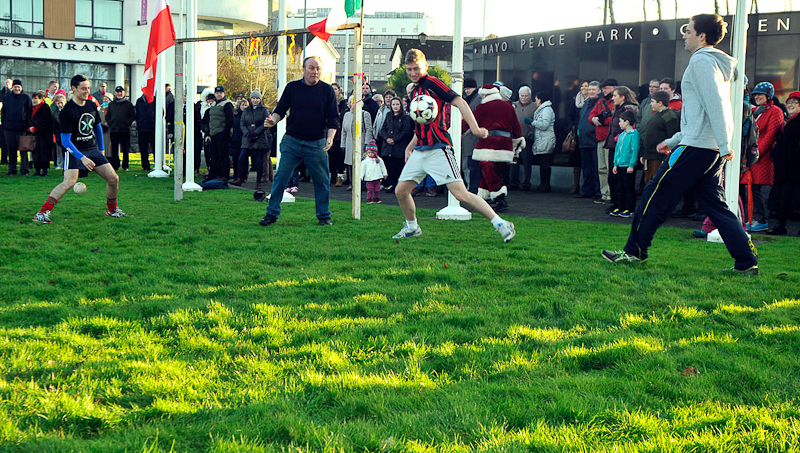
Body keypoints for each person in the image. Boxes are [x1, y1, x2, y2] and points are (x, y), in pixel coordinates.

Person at [602, 13, 758, 275]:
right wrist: (675, 140)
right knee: (717, 207)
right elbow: (702, 115)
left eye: (689, 30)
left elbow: (715, 106)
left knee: (654, 195)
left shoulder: (701, 61)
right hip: (705, 149)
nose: (684, 34)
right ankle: (746, 262)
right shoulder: (715, 65)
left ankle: (634, 252)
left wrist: (724, 143)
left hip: (699, 149)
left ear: (702, 36)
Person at [392, 48, 516, 242]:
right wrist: (410, 147)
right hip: (420, 150)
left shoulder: (433, 83)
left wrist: (475, 129)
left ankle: (500, 223)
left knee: (460, 194)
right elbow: (422, 125)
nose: (413, 73)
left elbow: (460, 102)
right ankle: (412, 227)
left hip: (439, 149)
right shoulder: (415, 90)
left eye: (416, 68)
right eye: (409, 69)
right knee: (401, 191)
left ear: (425, 66)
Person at [33, 74, 127, 224]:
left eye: (88, 88)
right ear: (74, 89)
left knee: (113, 178)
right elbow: (65, 141)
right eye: (83, 88)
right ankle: (42, 213)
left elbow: (97, 128)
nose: (87, 91)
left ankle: (112, 210)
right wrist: (81, 157)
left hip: (92, 149)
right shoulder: (67, 111)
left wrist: (101, 150)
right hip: (74, 150)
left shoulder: (90, 105)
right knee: (69, 182)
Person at [260, 56, 339, 226]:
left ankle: (324, 216)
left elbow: (333, 118)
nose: (315, 71)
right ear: (303, 70)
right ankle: (271, 214)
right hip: (292, 141)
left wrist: (330, 137)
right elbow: (280, 110)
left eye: (318, 68)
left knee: (322, 181)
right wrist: (273, 120)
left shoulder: (327, 91)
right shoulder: (292, 87)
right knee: (281, 178)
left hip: (317, 143)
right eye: (311, 68)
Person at [472, 84, 524, 212]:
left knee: (488, 169)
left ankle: (499, 197)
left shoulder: (482, 107)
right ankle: (483, 199)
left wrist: (454, 132)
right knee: (492, 172)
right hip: (505, 145)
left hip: (488, 143)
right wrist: (517, 141)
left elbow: (468, 123)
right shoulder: (508, 106)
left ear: (485, 94)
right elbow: (516, 128)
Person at [743, 81, 783, 232]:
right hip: (752, 156)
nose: (757, 97)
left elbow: (771, 135)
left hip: (762, 157)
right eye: (755, 94)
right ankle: (752, 219)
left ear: (768, 95)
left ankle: (760, 220)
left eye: (760, 94)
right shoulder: (756, 112)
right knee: (750, 188)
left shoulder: (775, 111)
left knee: (756, 188)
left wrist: (756, 153)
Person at [768, 91, 800, 235]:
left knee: (793, 197)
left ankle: (785, 226)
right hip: (783, 167)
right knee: (782, 197)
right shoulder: (787, 121)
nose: (790, 104)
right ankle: (780, 225)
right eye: (789, 102)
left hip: (795, 167)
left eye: (794, 102)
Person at [604, 86, 639, 211]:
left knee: (623, 181)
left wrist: (618, 138)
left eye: (615, 96)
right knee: (613, 178)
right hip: (615, 145)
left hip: (622, 146)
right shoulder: (617, 109)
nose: (612, 98)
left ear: (623, 97)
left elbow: (632, 128)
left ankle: (623, 205)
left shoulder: (628, 110)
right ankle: (617, 204)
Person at [639, 90, 680, 185]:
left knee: (657, 184)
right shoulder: (654, 116)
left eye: (653, 101)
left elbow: (672, 138)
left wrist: (666, 158)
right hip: (649, 156)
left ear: (660, 103)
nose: (651, 104)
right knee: (648, 182)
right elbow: (647, 135)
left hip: (658, 157)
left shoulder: (669, 116)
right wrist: (643, 153)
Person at [233, 89, 270, 189]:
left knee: (258, 161)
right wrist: (247, 133)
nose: (255, 100)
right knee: (242, 158)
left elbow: (265, 123)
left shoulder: (264, 110)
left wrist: (256, 133)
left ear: (260, 99)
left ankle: (258, 182)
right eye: (253, 98)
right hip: (247, 138)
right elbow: (242, 123)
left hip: (259, 138)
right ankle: (239, 178)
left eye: (257, 98)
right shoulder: (247, 110)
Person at [590, 78, 617, 202]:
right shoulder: (600, 101)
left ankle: (611, 193)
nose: (604, 91)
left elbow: (615, 119)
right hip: (600, 138)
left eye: (606, 88)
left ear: (614, 88)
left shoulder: (615, 101)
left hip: (609, 139)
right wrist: (593, 119)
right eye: (603, 89)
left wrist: (600, 120)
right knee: (601, 167)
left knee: (608, 167)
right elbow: (591, 115)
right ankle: (604, 193)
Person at [610, 110, 640, 217]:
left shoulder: (634, 135)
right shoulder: (622, 135)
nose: (619, 123)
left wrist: (631, 165)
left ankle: (629, 208)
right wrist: (615, 164)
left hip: (628, 165)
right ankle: (620, 206)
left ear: (627, 122)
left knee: (628, 187)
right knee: (619, 187)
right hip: (620, 165)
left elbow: (634, 150)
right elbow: (617, 150)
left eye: (621, 121)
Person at [380, 97, 414, 192]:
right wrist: (386, 138)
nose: (395, 106)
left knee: (399, 166)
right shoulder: (388, 115)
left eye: (397, 104)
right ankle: (392, 184)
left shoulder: (405, 117)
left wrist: (395, 139)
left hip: (399, 146)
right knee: (390, 166)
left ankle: (400, 187)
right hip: (388, 147)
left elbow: (406, 131)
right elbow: (383, 129)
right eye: (393, 104)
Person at [341, 95, 374, 190]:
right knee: (350, 163)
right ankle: (352, 183)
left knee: (361, 163)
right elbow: (344, 131)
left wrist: (367, 143)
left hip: (361, 142)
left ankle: (362, 184)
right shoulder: (347, 115)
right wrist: (343, 144)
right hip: (349, 143)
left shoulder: (365, 114)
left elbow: (368, 129)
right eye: (352, 102)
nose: (354, 104)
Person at [576, 81, 601, 199]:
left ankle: (597, 191)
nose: (591, 91)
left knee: (597, 167)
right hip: (584, 139)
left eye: (593, 89)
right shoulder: (586, 104)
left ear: (599, 91)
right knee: (586, 167)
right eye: (590, 89)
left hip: (595, 139)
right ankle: (587, 190)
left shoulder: (600, 104)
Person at [2, 79, 32, 175]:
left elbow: (29, 112)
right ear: (12, 87)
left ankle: (24, 170)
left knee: (24, 150)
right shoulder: (7, 98)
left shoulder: (26, 98)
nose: (17, 89)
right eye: (15, 87)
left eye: (19, 87)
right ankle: (12, 169)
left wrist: (27, 125)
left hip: (22, 128)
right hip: (9, 128)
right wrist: (5, 123)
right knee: (11, 150)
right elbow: (4, 111)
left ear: (21, 87)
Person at [204, 86, 234, 181]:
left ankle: (224, 175)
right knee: (214, 156)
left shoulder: (227, 104)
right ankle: (214, 174)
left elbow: (230, 120)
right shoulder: (214, 105)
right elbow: (210, 120)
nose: (219, 94)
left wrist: (224, 133)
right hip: (213, 134)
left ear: (224, 93)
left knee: (223, 156)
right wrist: (208, 133)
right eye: (217, 93)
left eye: (221, 93)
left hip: (222, 134)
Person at [529, 91, 556, 193]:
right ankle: (543, 184)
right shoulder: (543, 109)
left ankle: (546, 185)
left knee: (545, 163)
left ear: (540, 99)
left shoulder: (547, 110)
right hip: (542, 139)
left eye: (536, 99)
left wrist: (532, 122)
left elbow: (544, 125)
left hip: (546, 139)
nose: (535, 101)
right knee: (542, 163)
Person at [511, 86, 536, 191]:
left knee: (527, 162)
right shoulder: (514, 106)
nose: (524, 98)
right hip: (514, 138)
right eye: (522, 96)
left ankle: (526, 183)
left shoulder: (535, 106)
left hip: (527, 138)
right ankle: (513, 182)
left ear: (530, 96)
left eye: (526, 96)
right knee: (514, 162)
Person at [106, 86, 135, 171]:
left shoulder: (128, 104)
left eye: (121, 92)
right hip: (114, 130)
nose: (119, 93)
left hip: (124, 130)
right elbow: (108, 116)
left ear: (124, 93)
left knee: (125, 148)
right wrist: (110, 123)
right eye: (117, 92)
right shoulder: (111, 104)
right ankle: (115, 165)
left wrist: (127, 123)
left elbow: (132, 116)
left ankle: (125, 166)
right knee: (114, 149)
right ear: (115, 93)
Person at [27, 91, 54, 176]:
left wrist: (36, 128)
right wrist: (29, 128)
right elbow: (28, 119)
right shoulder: (31, 108)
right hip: (34, 135)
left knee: (44, 153)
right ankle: (37, 170)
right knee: (35, 152)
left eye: (36, 98)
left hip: (44, 135)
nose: (34, 100)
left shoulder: (46, 108)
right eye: (33, 98)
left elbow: (47, 122)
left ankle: (44, 170)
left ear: (41, 99)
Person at [135, 91, 156, 171]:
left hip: (152, 128)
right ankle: (145, 166)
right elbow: (137, 113)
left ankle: (157, 165)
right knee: (143, 148)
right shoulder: (139, 101)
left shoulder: (155, 100)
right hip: (142, 128)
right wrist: (139, 124)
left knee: (155, 147)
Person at [229, 97, 246, 180]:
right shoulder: (235, 116)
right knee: (235, 159)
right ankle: (236, 175)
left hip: (245, 140)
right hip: (235, 139)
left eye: (246, 105)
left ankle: (243, 176)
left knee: (243, 159)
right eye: (243, 105)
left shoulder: (248, 115)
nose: (244, 107)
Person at [52, 94, 67, 170]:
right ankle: (60, 163)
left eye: (61, 102)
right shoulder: (55, 112)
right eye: (58, 103)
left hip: (66, 133)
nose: (60, 104)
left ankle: (66, 163)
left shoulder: (67, 111)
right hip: (58, 133)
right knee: (59, 149)